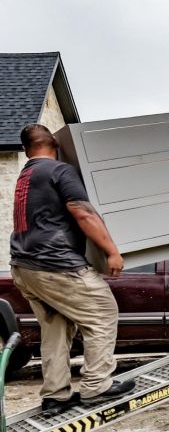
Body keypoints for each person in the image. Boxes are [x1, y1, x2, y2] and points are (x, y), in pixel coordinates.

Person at [10, 124, 135, 417]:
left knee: (56, 328)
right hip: (56, 265)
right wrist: (112, 252)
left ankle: (55, 396)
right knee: (102, 311)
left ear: (27, 150)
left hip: (24, 266)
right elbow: (83, 212)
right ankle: (96, 386)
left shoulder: (26, 175)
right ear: (55, 145)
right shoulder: (59, 171)